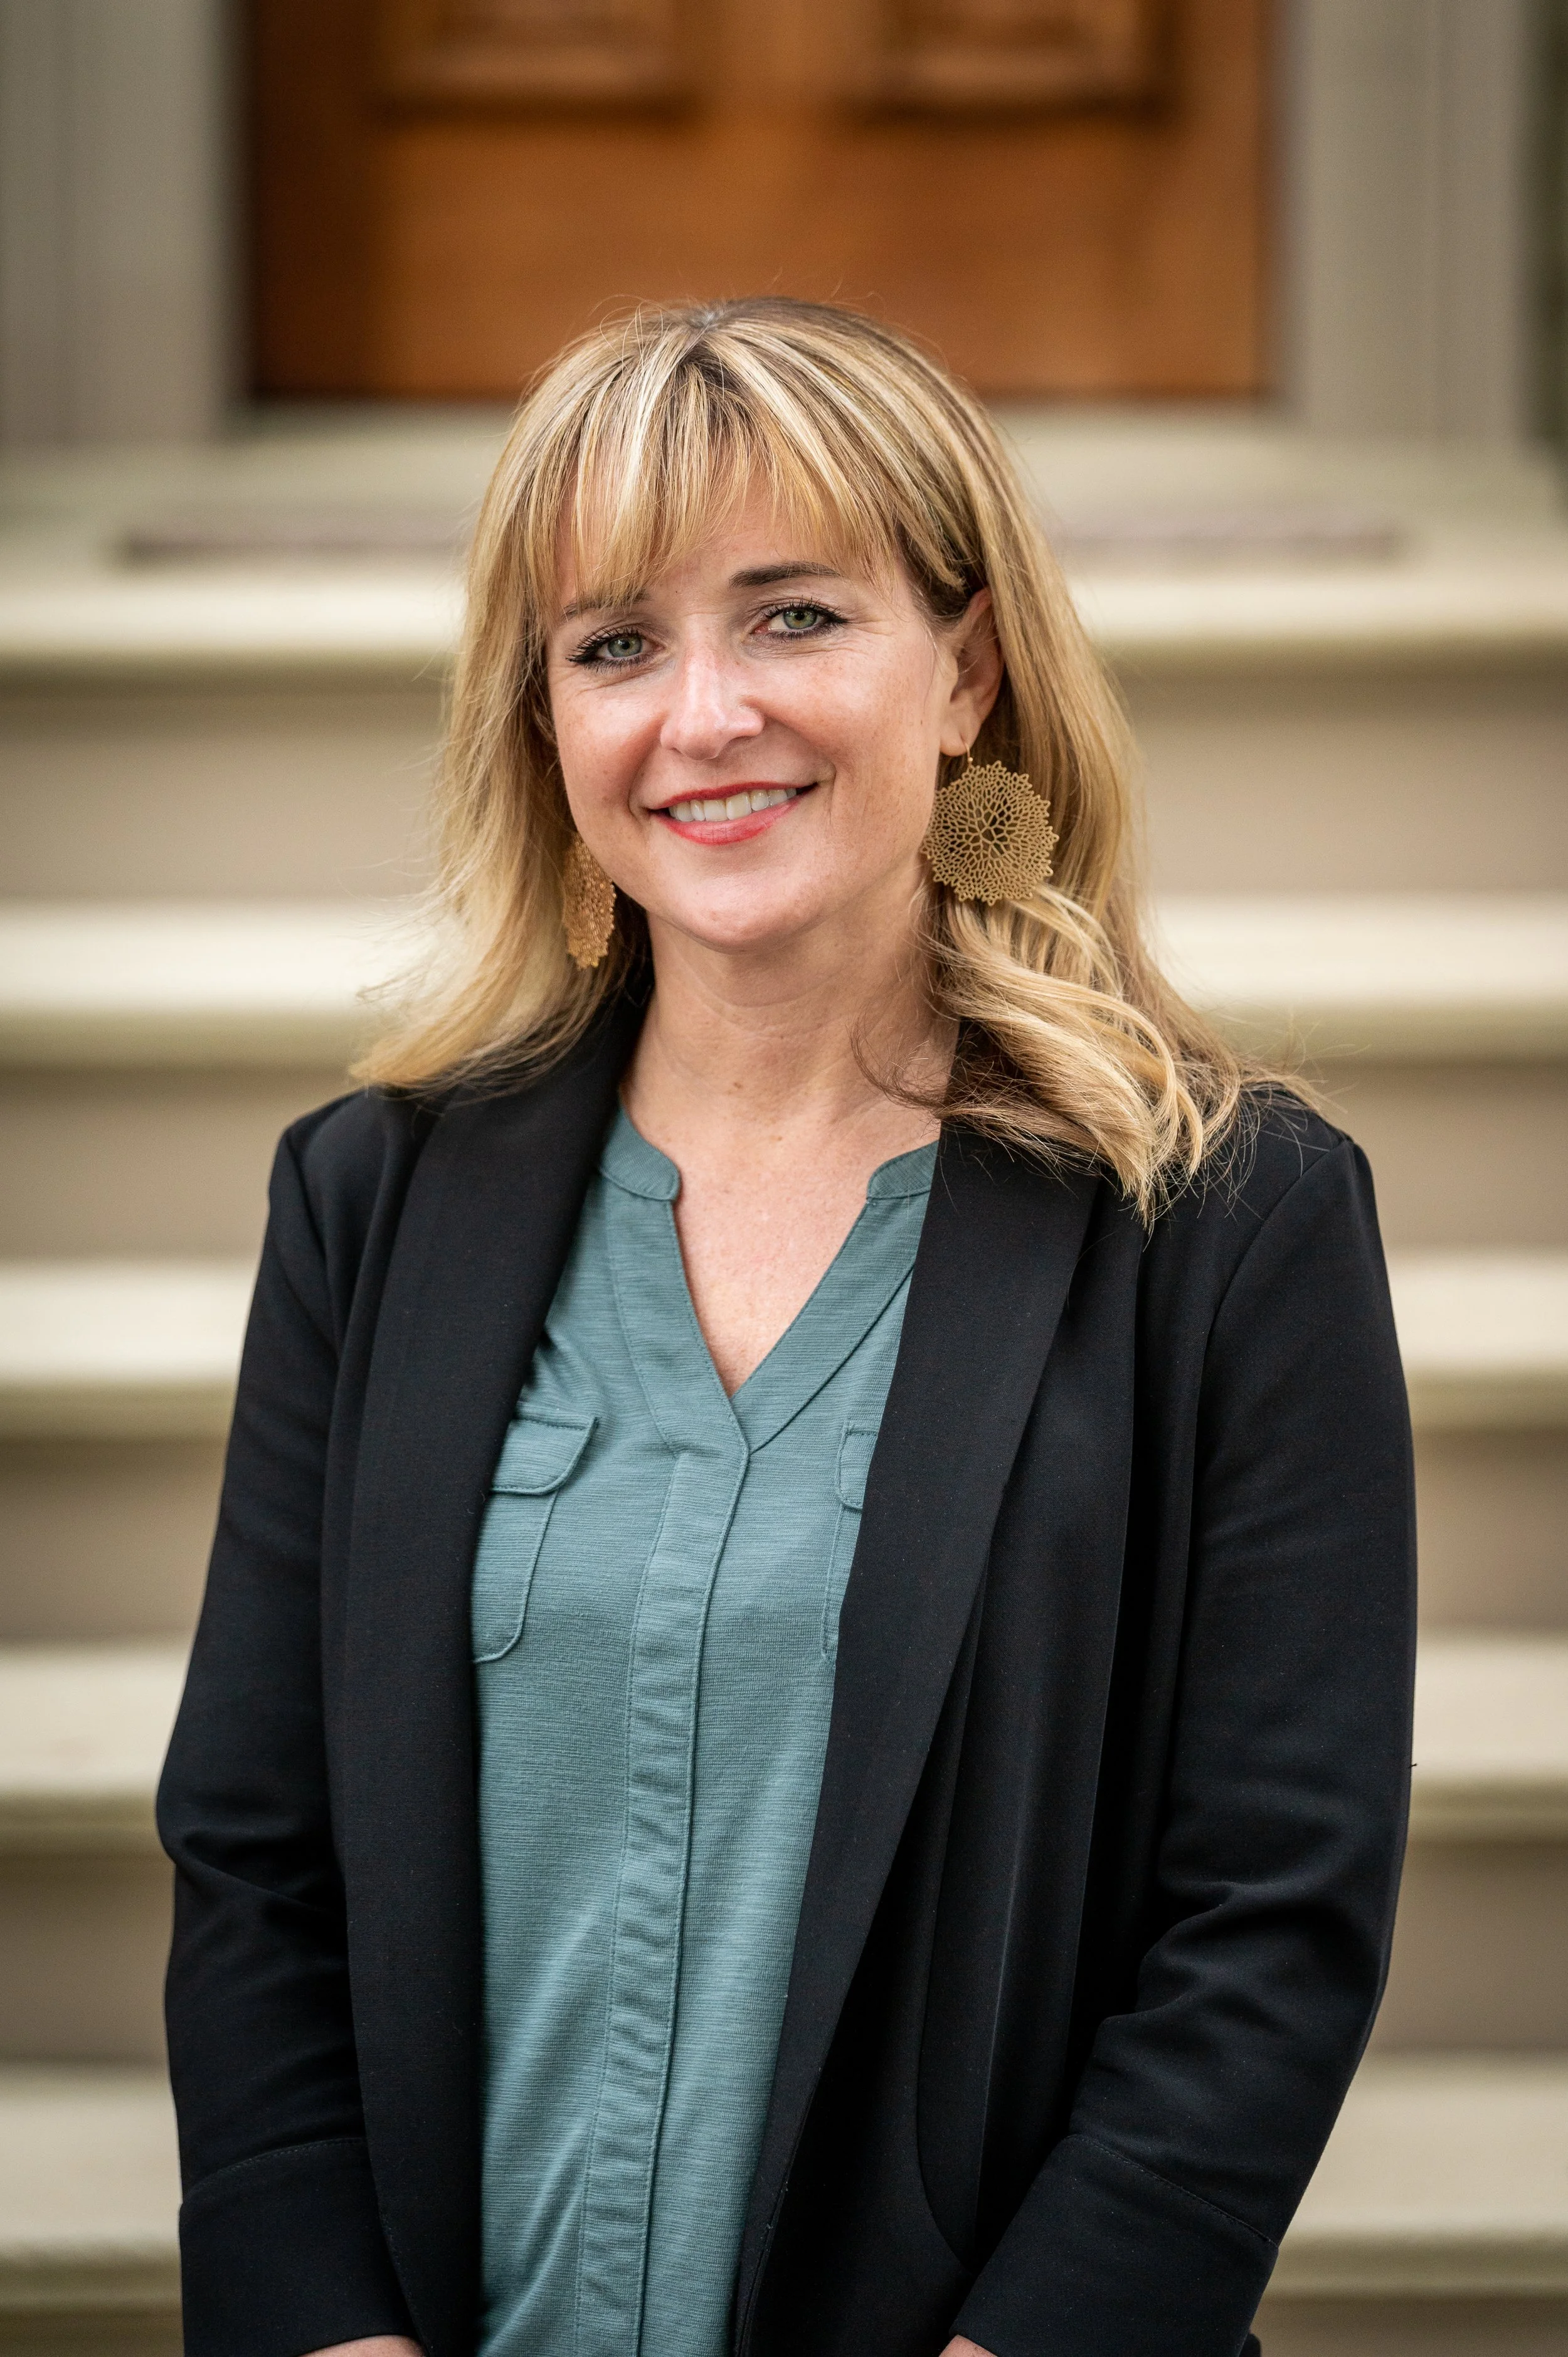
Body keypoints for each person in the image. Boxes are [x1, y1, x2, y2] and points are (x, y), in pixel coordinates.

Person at [157, 298, 1416, 2357]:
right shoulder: (371, 1204)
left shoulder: (1226, 1219)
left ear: (969, 672)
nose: (703, 713)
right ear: (543, 726)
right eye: (613, 646)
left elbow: (1265, 1918)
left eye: (795, 617)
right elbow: (257, 1855)